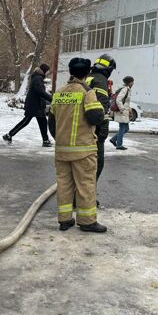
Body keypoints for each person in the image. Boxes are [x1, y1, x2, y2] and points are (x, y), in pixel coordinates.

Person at [48, 57, 107, 233]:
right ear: (87, 73)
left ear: (70, 71)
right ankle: (87, 221)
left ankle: (64, 220)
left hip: (62, 150)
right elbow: (96, 117)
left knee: (64, 184)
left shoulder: (58, 93)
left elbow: (51, 123)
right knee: (85, 185)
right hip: (83, 150)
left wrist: (61, 139)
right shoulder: (87, 92)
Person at [3, 64, 53, 146]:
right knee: (25, 121)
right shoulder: (38, 78)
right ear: (44, 70)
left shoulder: (37, 77)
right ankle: (9, 135)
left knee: (43, 122)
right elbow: (40, 92)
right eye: (47, 71)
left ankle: (46, 140)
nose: (48, 73)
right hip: (34, 105)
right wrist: (51, 98)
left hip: (37, 105)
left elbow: (40, 92)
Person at [86, 54, 116, 181]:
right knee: (97, 165)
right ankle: (88, 197)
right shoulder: (101, 80)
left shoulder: (88, 77)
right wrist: (102, 133)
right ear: (108, 68)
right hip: (96, 131)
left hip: (83, 128)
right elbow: (101, 109)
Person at [109, 76, 134, 150]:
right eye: (132, 82)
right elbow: (118, 99)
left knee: (126, 128)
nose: (133, 83)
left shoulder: (127, 89)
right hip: (122, 112)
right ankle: (119, 145)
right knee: (122, 128)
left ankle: (113, 139)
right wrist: (122, 109)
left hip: (124, 111)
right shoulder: (125, 89)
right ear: (130, 82)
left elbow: (126, 101)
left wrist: (129, 110)